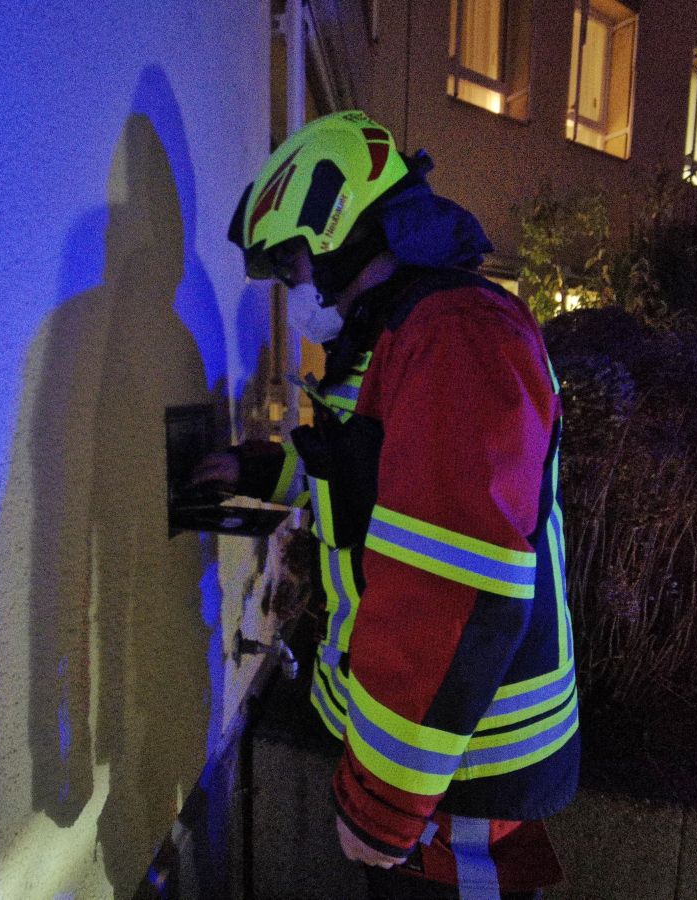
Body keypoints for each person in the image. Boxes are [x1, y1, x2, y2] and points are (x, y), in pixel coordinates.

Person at [195, 111, 578, 898]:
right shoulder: (399, 336)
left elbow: (452, 586)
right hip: (435, 750)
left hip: (463, 759)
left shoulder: (455, 335)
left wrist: (385, 803)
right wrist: (252, 468)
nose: (293, 290)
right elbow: (366, 484)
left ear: (338, 233)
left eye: (293, 264)